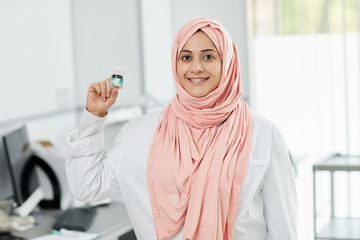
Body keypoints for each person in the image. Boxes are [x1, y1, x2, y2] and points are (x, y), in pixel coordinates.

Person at [66, 18, 297, 240]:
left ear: (227, 63)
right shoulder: (139, 133)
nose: (196, 68)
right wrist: (93, 116)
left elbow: (282, 229)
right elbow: (86, 186)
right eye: (186, 57)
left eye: (208, 56)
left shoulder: (263, 134)